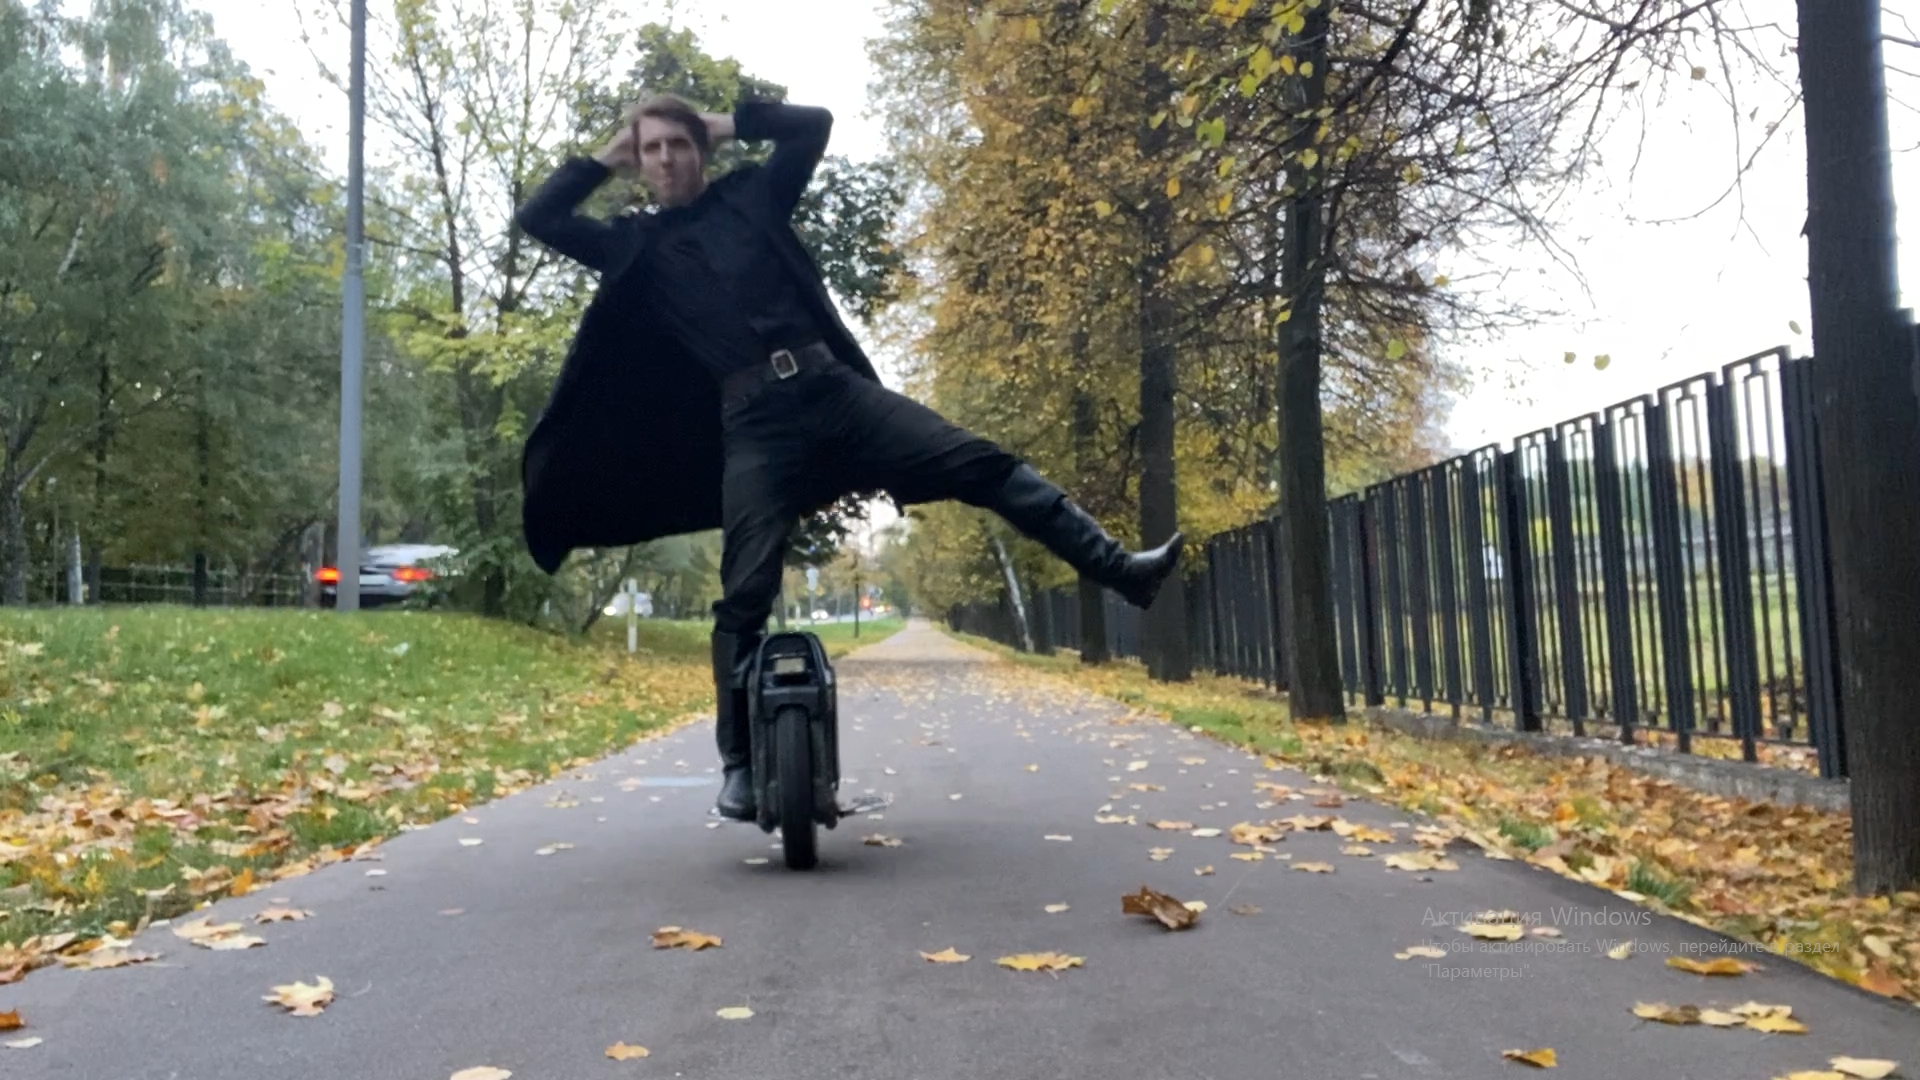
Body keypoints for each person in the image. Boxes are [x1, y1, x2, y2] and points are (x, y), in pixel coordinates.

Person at [514, 94, 1183, 821]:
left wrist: (729, 123)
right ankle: (738, 768)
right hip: (754, 424)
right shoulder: (632, 246)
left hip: (833, 391)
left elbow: (813, 127)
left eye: (679, 144)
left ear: (701, 149)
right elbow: (540, 218)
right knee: (743, 594)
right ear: (639, 163)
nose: (667, 159)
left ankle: (1123, 572)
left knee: (983, 464)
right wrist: (604, 156)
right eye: (652, 150)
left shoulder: (752, 195)